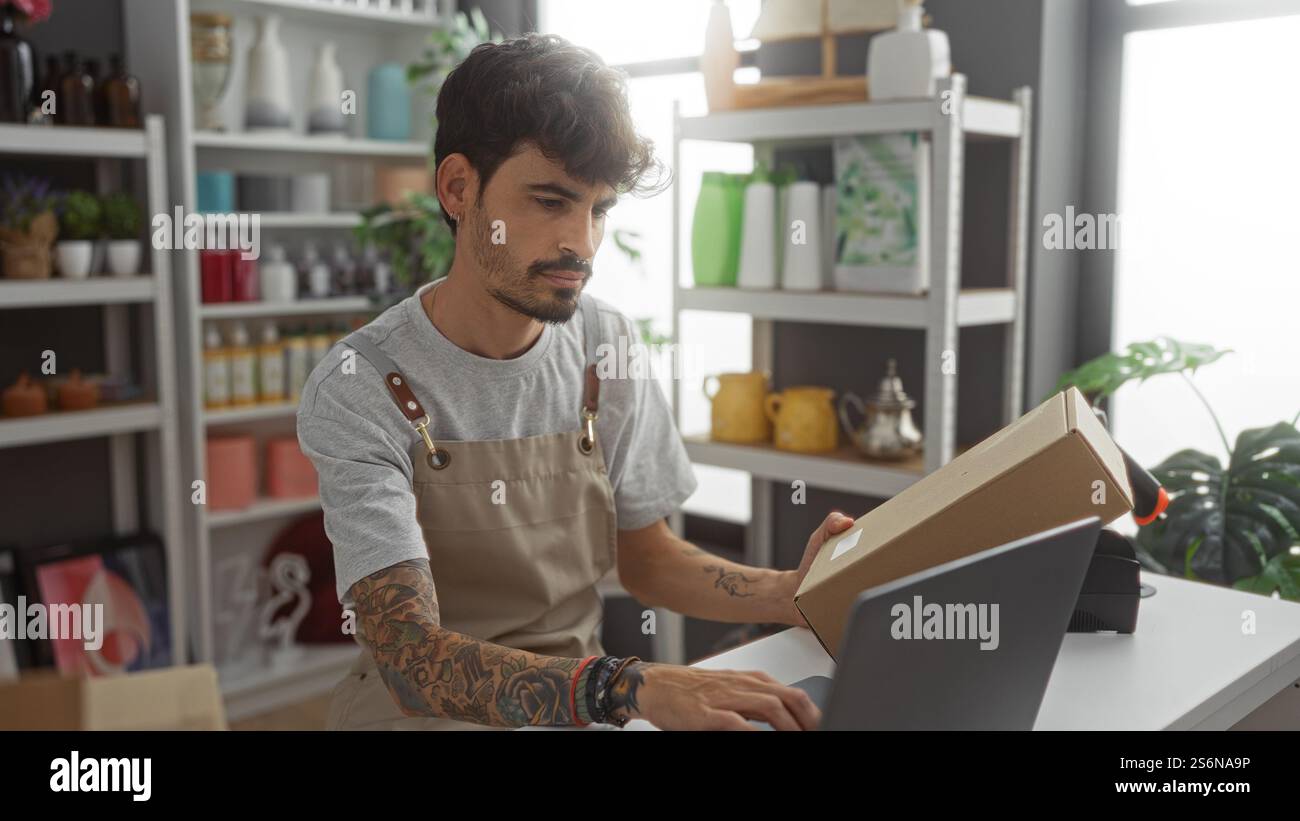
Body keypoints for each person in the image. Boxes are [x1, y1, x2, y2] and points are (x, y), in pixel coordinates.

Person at [297, 33, 855, 731]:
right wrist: (626, 687)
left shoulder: (604, 344)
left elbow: (647, 560)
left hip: (579, 711)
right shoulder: (361, 384)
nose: (582, 243)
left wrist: (790, 593)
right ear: (457, 188)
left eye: (598, 209)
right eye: (550, 201)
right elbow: (413, 661)